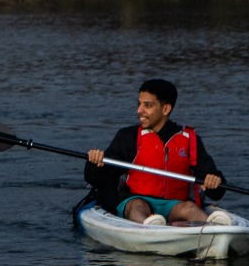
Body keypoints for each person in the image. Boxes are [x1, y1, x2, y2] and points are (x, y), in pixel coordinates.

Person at [85, 78, 232, 226]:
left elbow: (215, 190)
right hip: (135, 200)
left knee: (189, 208)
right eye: (139, 104)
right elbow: (97, 178)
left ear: (165, 109)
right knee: (137, 206)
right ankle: (150, 226)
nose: (139, 110)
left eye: (147, 105)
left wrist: (214, 181)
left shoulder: (190, 140)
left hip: (173, 205)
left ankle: (212, 228)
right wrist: (94, 163)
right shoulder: (128, 137)